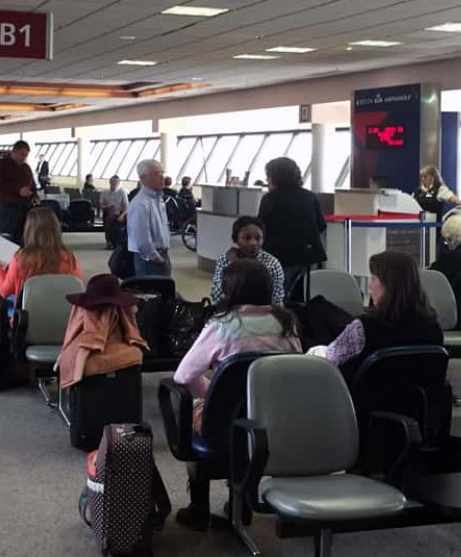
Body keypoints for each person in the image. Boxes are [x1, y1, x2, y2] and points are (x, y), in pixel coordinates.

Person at [173, 258, 302, 530]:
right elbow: (296, 370)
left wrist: (210, 393)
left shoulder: (223, 325)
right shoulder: (285, 323)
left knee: (188, 409)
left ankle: (199, 510)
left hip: (223, 424)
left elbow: (183, 375)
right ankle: (240, 503)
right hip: (273, 423)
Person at [308, 251, 443, 382]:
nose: (369, 286)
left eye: (373, 279)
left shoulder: (363, 328)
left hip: (364, 402)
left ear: (389, 285)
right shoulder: (434, 328)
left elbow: (330, 360)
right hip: (421, 403)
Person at [258, 157, 326, 299]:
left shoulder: (270, 199)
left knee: (278, 297)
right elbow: (321, 225)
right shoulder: (309, 197)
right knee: (306, 297)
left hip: (280, 257)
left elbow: (261, 229)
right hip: (309, 256)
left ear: (274, 177)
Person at [0, 207, 83, 302]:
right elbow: (78, 289)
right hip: (64, 316)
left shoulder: (21, 258)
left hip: (29, 316)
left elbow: (5, 292)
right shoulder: (70, 259)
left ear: (28, 230)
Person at [210, 215, 284, 305]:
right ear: (236, 240)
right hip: (231, 310)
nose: (253, 243)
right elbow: (216, 295)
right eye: (247, 238)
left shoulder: (272, 264)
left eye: (258, 238)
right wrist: (235, 265)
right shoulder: (225, 260)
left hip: (262, 313)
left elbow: (274, 300)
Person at [127, 159, 171, 277]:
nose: (162, 178)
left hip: (162, 255)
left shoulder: (159, 199)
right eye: (157, 174)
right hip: (149, 261)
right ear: (143, 178)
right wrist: (156, 258)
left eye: (163, 173)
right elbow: (142, 240)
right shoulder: (140, 204)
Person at [0, 140, 40, 244]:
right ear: (14, 152)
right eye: (22, 154)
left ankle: (19, 260)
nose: (24, 158)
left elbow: (32, 185)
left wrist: (35, 196)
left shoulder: (26, 168)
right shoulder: (0, 165)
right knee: (4, 241)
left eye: (26, 155)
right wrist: (18, 191)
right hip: (5, 209)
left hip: (23, 210)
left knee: (21, 240)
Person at [100, 175, 128, 249]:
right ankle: (110, 241)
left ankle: (117, 242)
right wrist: (107, 206)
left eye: (116, 182)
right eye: (112, 182)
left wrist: (121, 216)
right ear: (110, 182)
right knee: (108, 219)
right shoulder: (105, 192)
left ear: (119, 183)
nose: (114, 184)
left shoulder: (122, 192)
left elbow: (126, 207)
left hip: (119, 213)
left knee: (115, 222)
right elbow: (101, 206)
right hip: (109, 213)